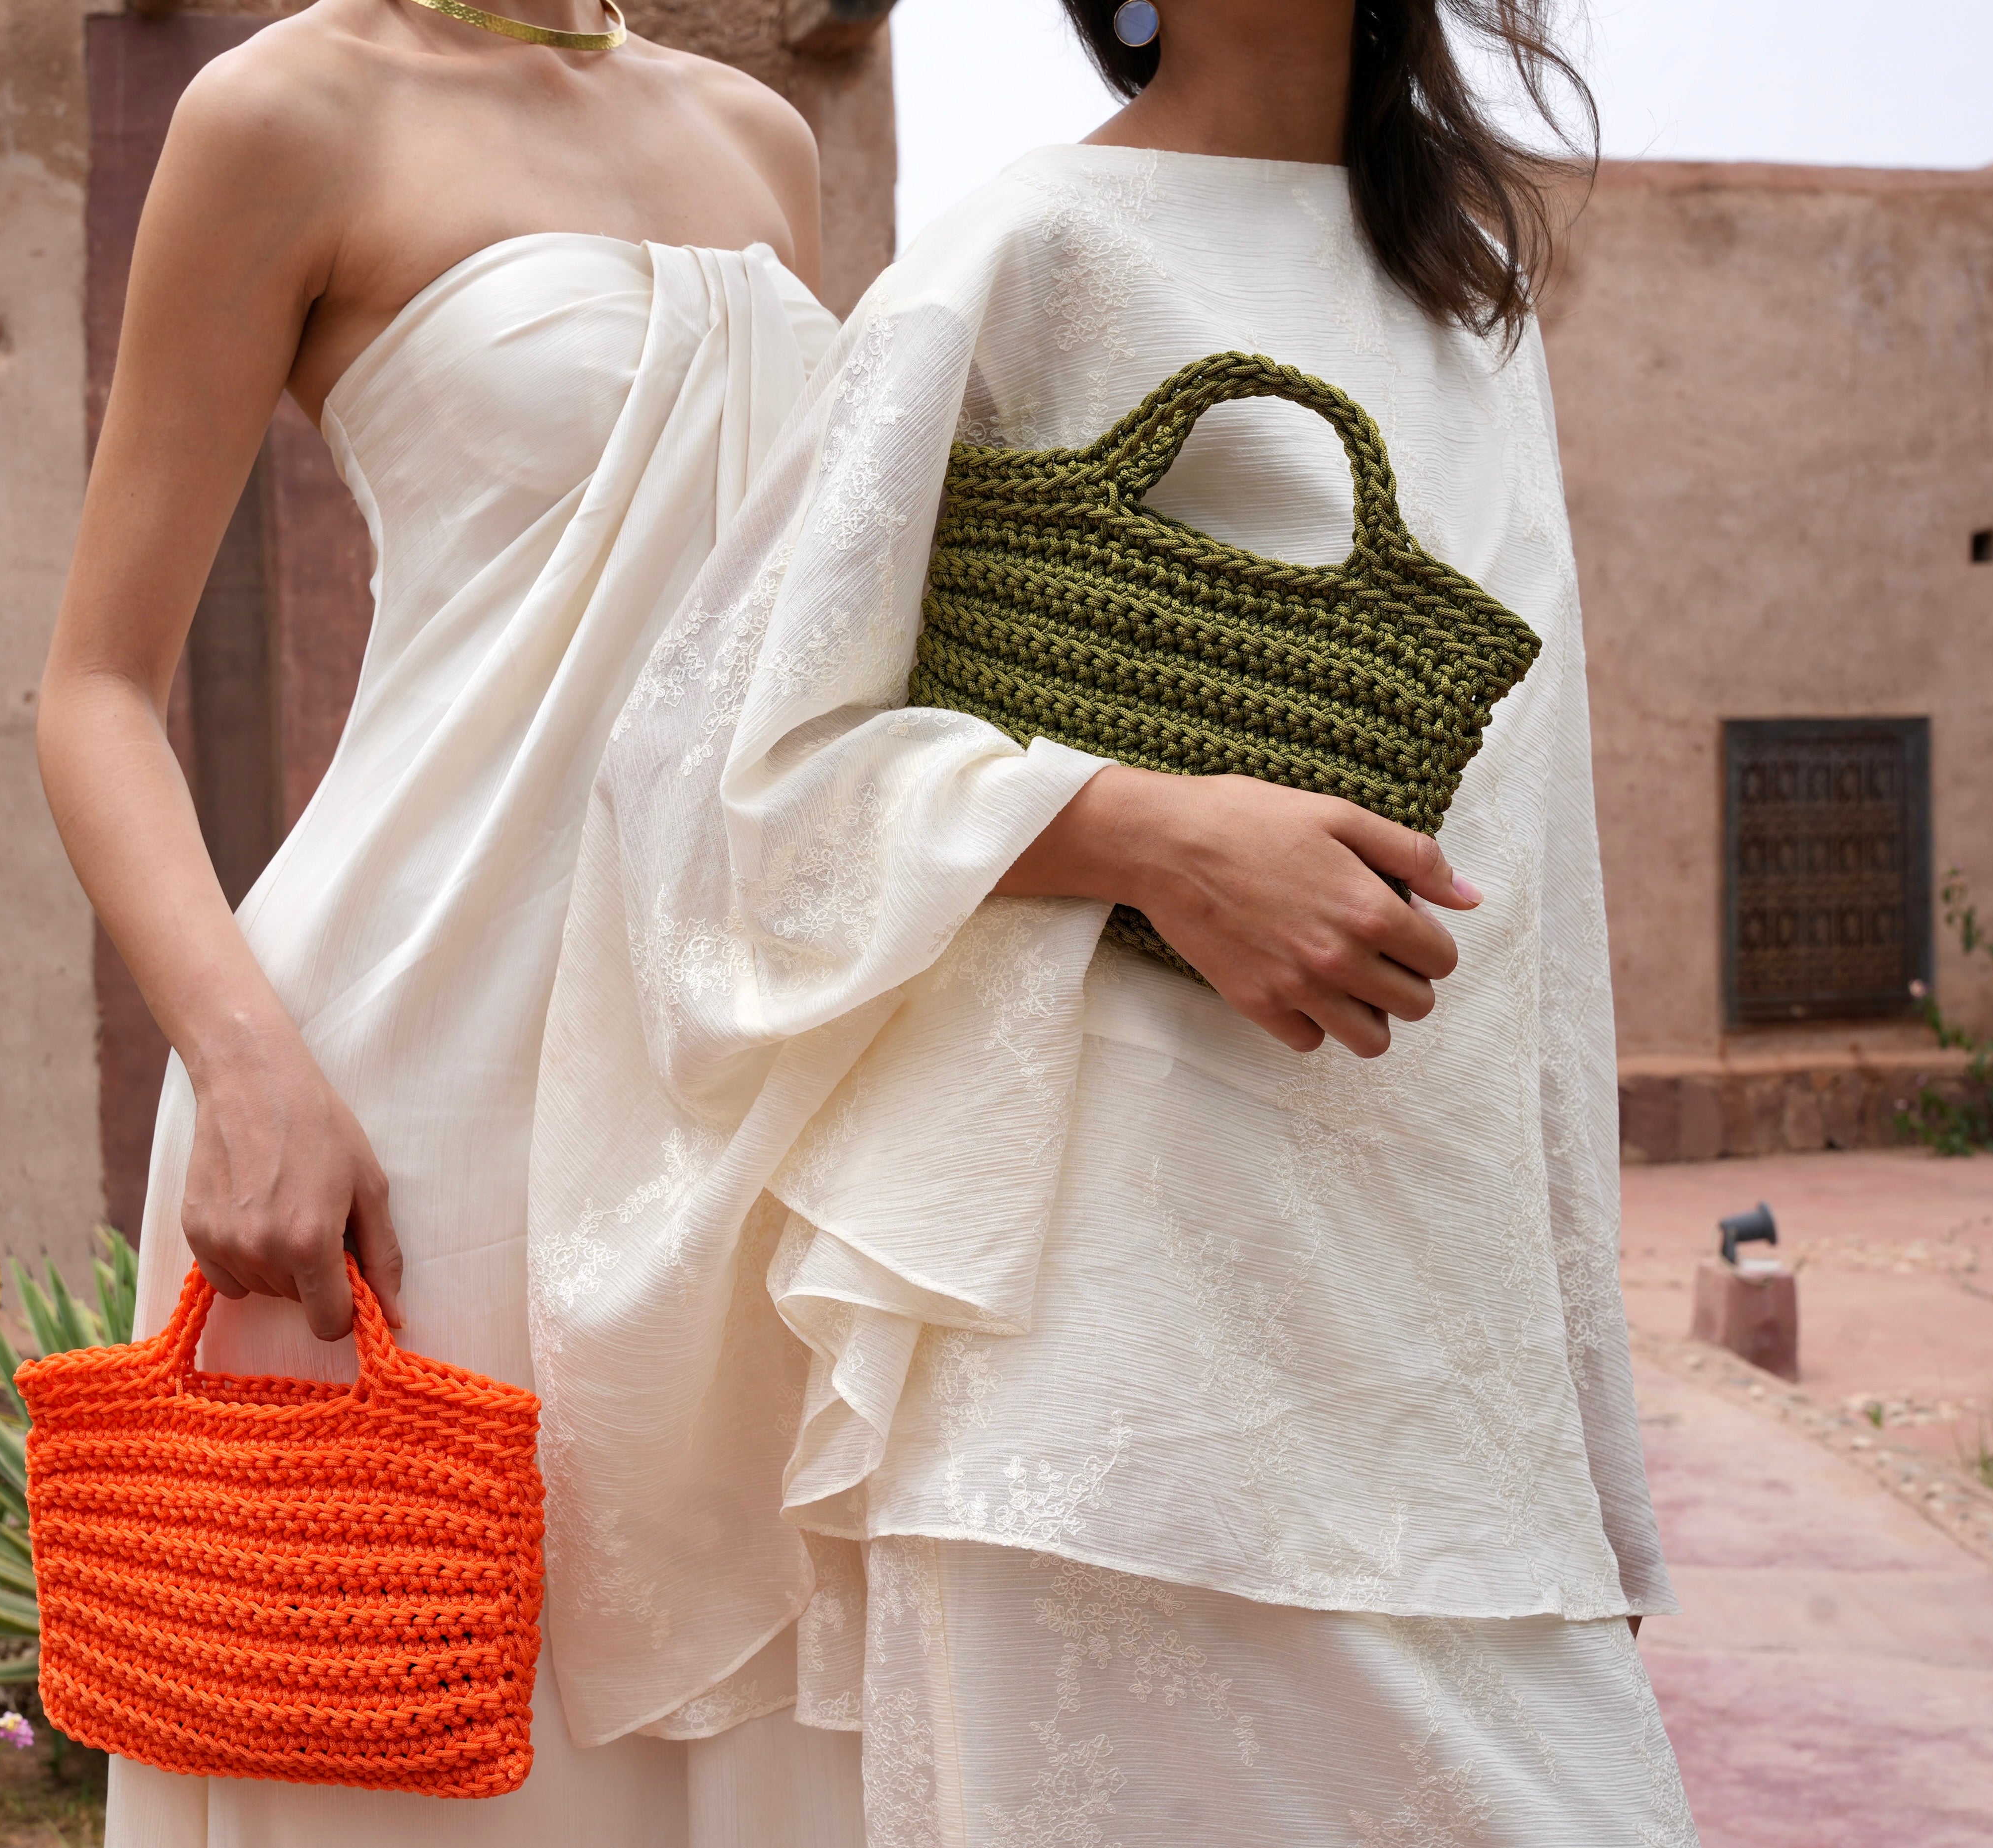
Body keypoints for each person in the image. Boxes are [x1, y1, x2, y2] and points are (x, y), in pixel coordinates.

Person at [529, 0, 1701, 1840]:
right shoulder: (1032, 245)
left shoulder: (1470, 301)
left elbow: (1539, 925)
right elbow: (720, 772)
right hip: (1089, 1359)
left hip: (1429, 1367)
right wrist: (1143, 829)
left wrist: (1583, 1465)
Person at [35, 1, 867, 1843]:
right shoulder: (286, 108)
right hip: (404, 1108)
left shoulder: (761, 138)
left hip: (744, 1093)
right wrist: (249, 1069)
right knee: (415, 1764)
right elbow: (93, 688)